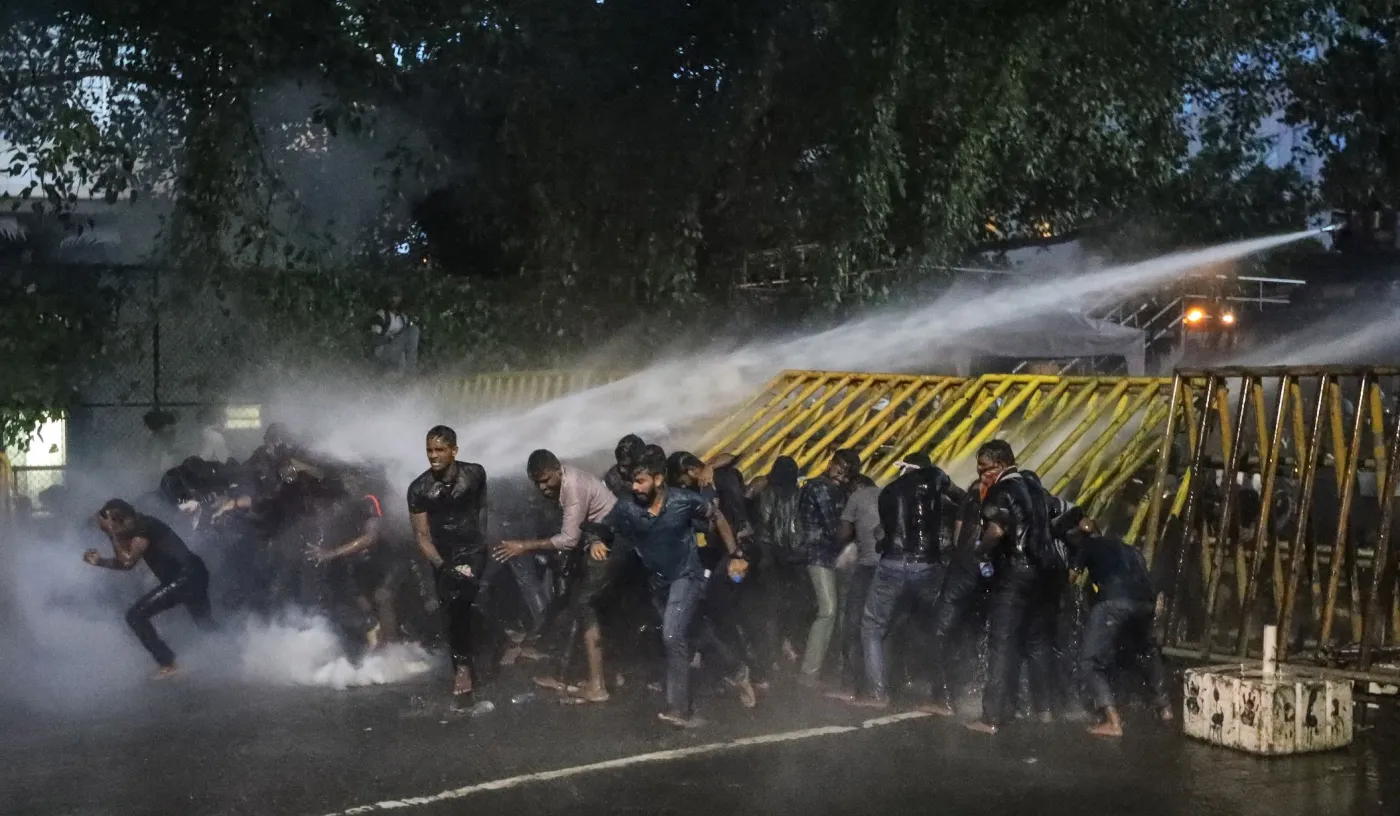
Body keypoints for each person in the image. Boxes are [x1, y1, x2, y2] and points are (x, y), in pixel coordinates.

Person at [590, 451, 748, 728]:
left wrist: (735, 554)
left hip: (687, 577)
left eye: (640, 481)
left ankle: (680, 710)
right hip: (658, 584)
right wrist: (595, 541)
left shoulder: (682, 501)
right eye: (632, 483)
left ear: (658, 479)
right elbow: (603, 528)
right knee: (696, 630)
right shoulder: (627, 508)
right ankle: (737, 670)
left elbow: (718, 516)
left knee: (672, 635)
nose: (635, 487)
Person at [493, 449, 619, 703]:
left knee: (584, 608)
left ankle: (597, 686)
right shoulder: (562, 485)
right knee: (577, 606)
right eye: (537, 482)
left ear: (557, 469)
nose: (542, 487)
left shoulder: (573, 487)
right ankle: (576, 675)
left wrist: (523, 546)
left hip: (606, 546)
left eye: (546, 480)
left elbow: (569, 539)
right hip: (596, 543)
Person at [848, 454, 965, 708]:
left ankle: (878, 693)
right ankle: (943, 696)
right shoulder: (934, 478)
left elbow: (883, 532)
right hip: (927, 565)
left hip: (892, 563)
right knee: (937, 626)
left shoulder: (888, 491)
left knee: (873, 626)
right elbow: (960, 497)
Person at [967, 440, 1056, 734]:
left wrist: (980, 551)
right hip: (1043, 575)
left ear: (1002, 464)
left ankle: (991, 717)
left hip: (1015, 574)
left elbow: (996, 531)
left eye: (984, 469)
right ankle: (1044, 710)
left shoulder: (1003, 490)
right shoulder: (1036, 488)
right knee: (1036, 643)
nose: (981, 476)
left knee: (1002, 644)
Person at [1064, 519, 1173, 737]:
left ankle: (1113, 723)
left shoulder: (1087, 546)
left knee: (1089, 662)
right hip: (1146, 603)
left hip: (1115, 602)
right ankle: (1166, 710)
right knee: (1146, 652)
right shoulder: (1129, 548)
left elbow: (1071, 578)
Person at [84, 499, 215, 677]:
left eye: (105, 527)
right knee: (205, 622)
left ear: (117, 521)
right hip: (191, 574)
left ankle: (168, 663)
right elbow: (125, 563)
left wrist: (111, 532)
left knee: (135, 616)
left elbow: (127, 561)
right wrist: (100, 561)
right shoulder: (135, 526)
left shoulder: (141, 528)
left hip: (185, 577)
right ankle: (236, 652)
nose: (103, 531)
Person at [407, 425, 488, 698]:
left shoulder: (474, 473)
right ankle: (464, 662)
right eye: (429, 450)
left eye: (440, 450)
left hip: (472, 548)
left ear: (454, 451)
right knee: (450, 608)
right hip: (442, 554)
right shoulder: (419, 488)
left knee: (463, 599)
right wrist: (442, 566)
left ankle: (465, 666)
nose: (433, 455)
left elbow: (482, 506)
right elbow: (421, 536)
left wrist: (482, 538)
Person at [307, 471, 400, 649]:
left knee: (383, 596)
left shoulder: (370, 500)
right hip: (366, 561)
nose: (349, 486)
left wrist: (332, 553)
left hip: (391, 558)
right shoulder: (348, 506)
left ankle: (393, 651)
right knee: (354, 595)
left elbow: (370, 537)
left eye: (352, 481)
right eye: (346, 482)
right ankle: (375, 636)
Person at [796, 449, 860, 687]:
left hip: (826, 555)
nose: (841, 476)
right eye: (839, 468)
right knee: (828, 610)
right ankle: (809, 672)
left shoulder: (824, 487)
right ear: (831, 464)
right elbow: (834, 526)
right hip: (819, 554)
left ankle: (815, 668)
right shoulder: (822, 488)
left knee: (829, 611)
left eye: (846, 473)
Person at [748, 456, 808, 672]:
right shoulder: (800, 494)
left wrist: (764, 556)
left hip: (772, 557)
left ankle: (771, 655)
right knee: (793, 607)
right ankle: (788, 645)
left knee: (771, 609)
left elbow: (764, 526)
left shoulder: (767, 494)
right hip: (795, 558)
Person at [827, 473, 881, 700]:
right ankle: (880, 685)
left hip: (867, 567)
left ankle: (851, 686)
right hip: (891, 567)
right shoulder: (885, 495)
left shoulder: (857, 497)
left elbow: (843, 533)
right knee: (877, 628)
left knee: (852, 625)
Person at [370, 290, 421, 374]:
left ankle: (409, 371)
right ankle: (410, 372)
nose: (395, 300)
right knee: (413, 331)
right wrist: (391, 340)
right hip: (384, 351)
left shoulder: (404, 319)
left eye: (397, 297)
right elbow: (375, 338)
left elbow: (410, 342)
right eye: (393, 297)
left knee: (414, 330)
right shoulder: (381, 314)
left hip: (398, 355)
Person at [603, 435, 646, 499]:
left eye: (626, 466)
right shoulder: (612, 478)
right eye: (619, 463)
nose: (621, 469)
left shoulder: (652, 476)